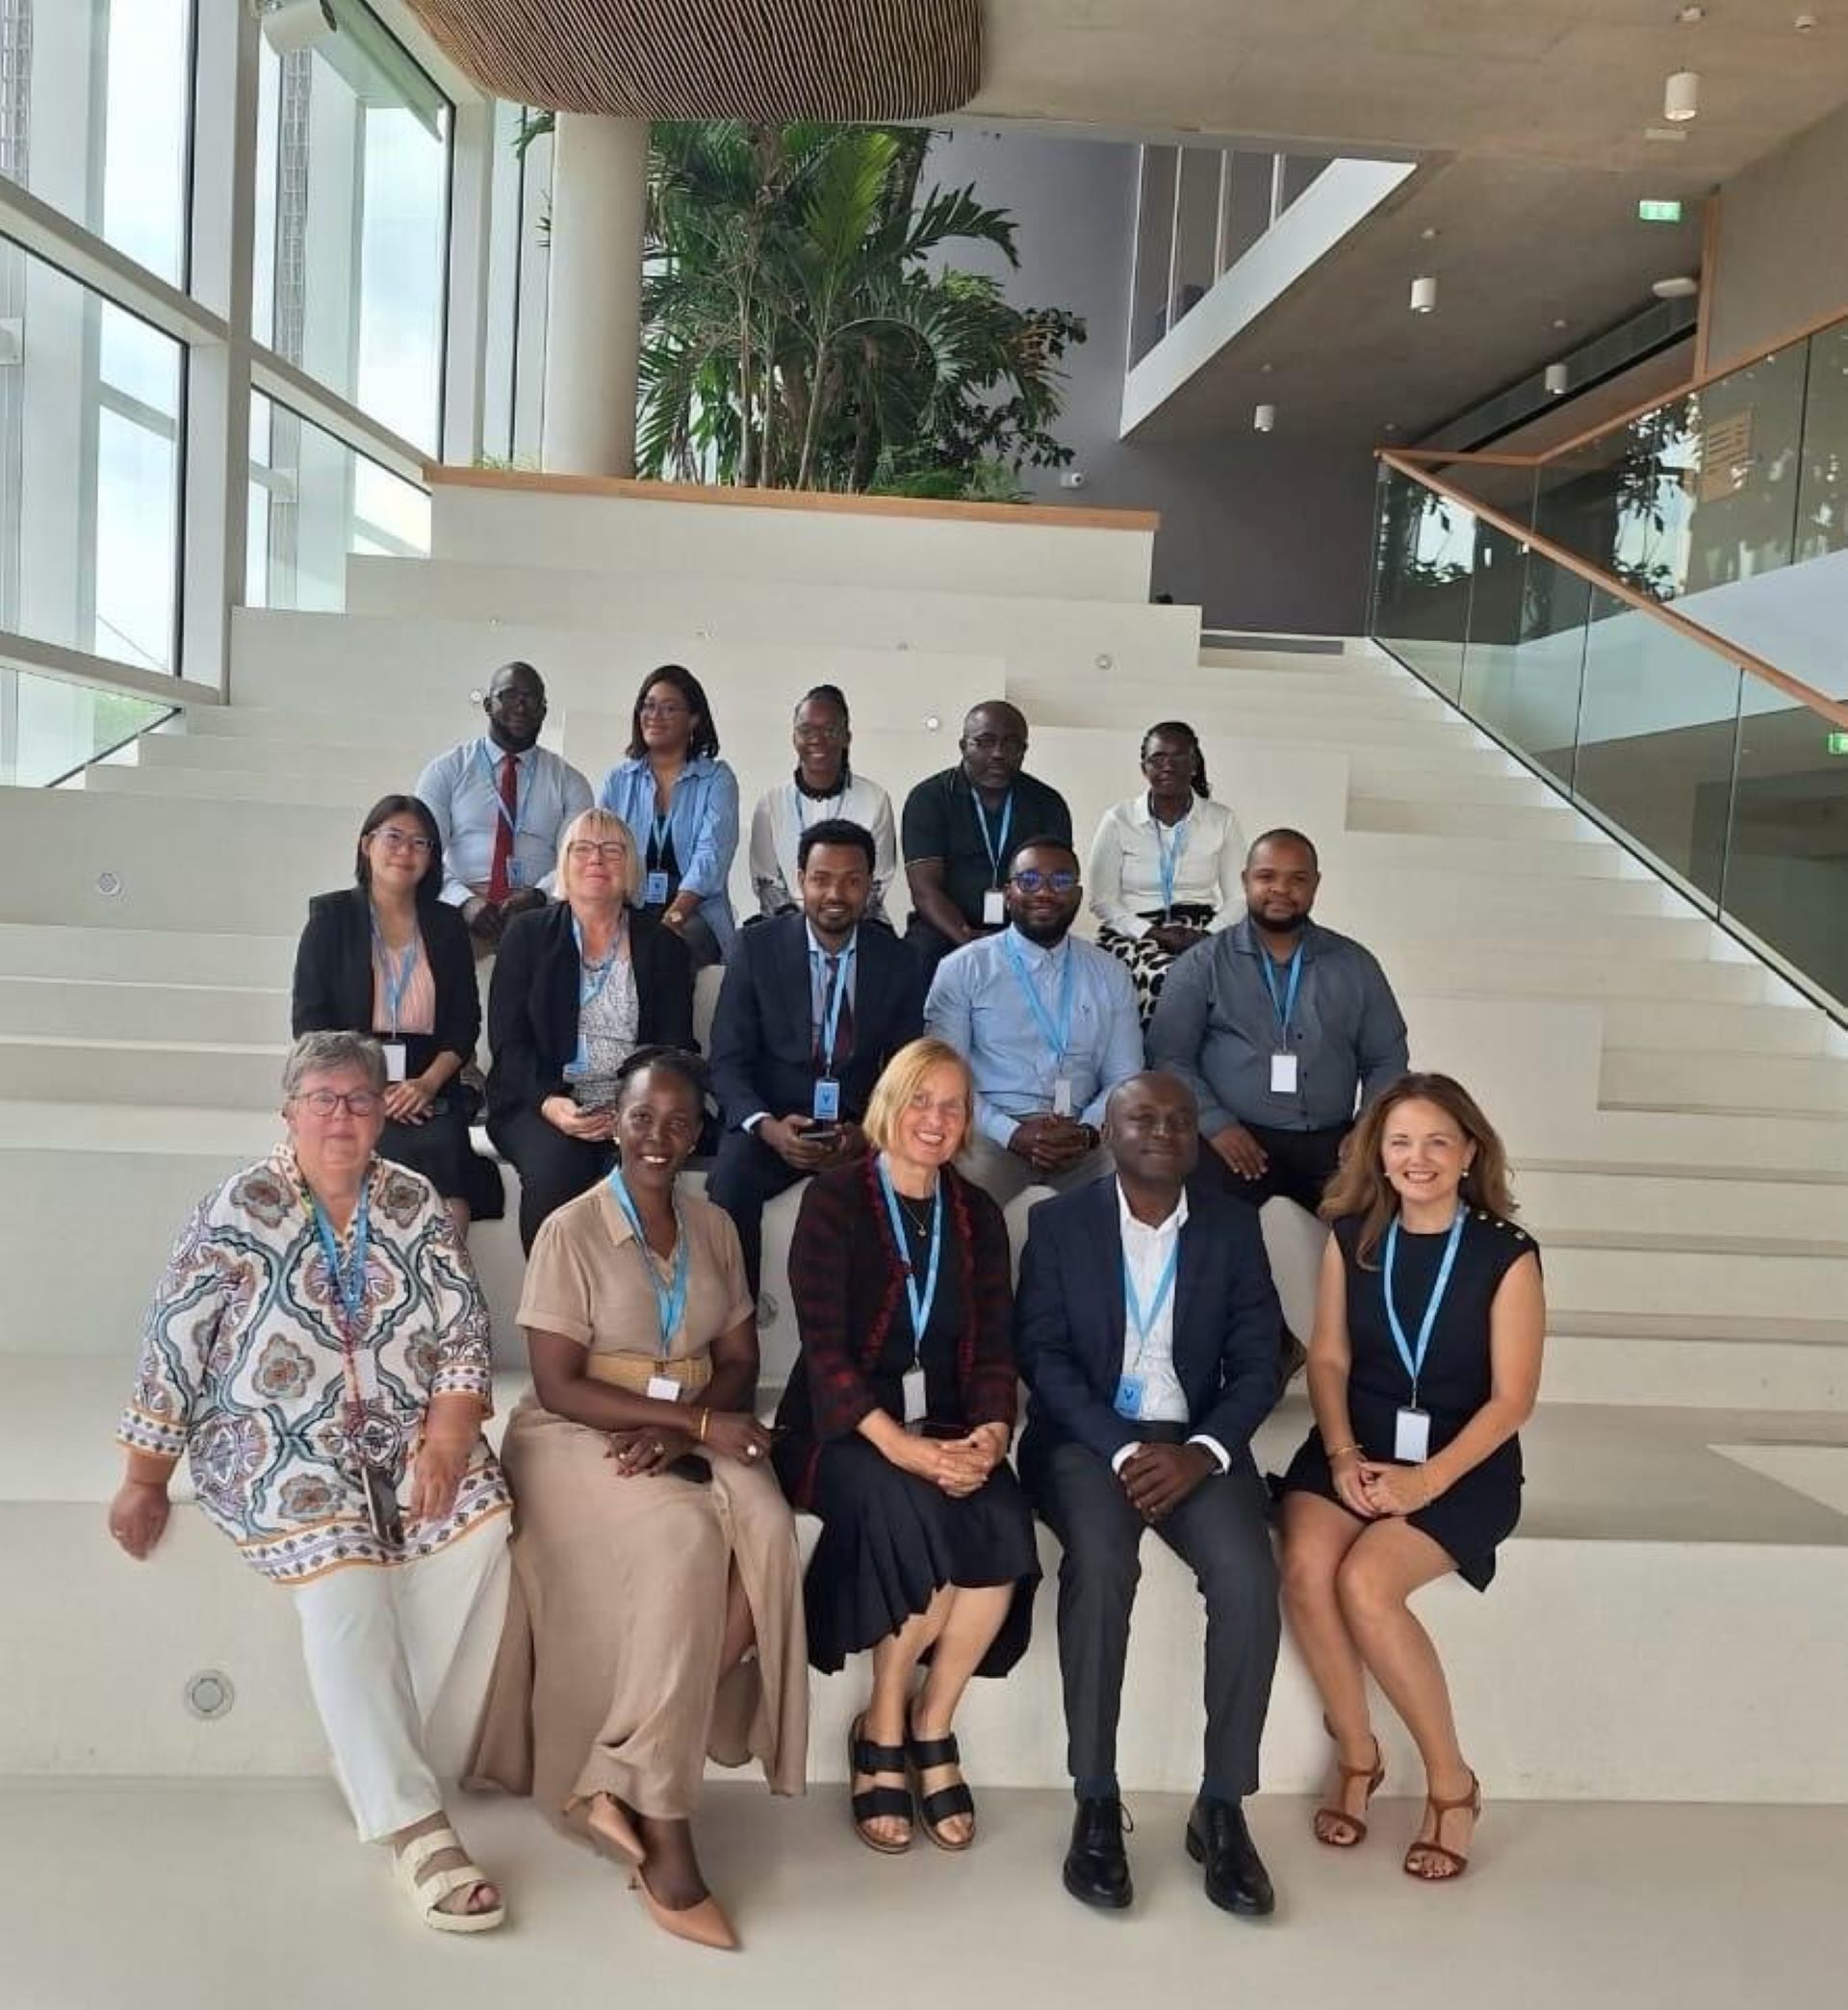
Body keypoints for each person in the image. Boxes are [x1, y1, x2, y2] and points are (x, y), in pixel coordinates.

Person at [109, 1032, 512, 1933]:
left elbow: (463, 1326)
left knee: (482, 1524)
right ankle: (412, 1821)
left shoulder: (410, 1200)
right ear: (287, 1112)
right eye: (323, 1099)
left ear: (383, 1114)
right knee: (348, 1585)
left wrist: (450, 1432)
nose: (342, 1116)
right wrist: (145, 1475)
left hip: (404, 1433)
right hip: (272, 1442)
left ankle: (372, 1731)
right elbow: (175, 1341)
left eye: (360, 1100)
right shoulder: (237, 1205)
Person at [468, 1048, 806, 1951]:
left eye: (680, 1122)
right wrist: (689, 1424)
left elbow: (739, 1359)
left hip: (688, 1416)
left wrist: (690, 1424)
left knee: (772, 1530)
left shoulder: (717, 1227)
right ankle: (664, 1820)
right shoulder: (571, 1230)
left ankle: (619, 1770)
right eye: (644, 1118)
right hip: (575, 1432)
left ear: (701, 1135)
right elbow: (559, 1382)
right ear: (615, 1122)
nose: (661, 1137)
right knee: (686, 1542)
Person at [1016, 1073, 1284, 1919]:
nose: (1163, 1129)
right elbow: (1045, 1359)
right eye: (1142, 1117)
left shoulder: (1236, 1229)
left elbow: (1259, 1361)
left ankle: (1223, 1806)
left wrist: (1203, 1451)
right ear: (1108, 1131)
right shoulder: (1058, 1225)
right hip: (1091, 1444)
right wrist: (1124, 1445)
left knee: (1248, 1577)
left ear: (1196, 1137)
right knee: (1100, 1564)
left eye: (1178, 1119)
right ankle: (1096, 1799)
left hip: (1198, 1446)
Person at [773, 1039, 1038, 1856]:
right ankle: (882, 1716)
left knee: (1000, 1520)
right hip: (840, 1428)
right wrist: (904, 1449)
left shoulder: (979, 1216)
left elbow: (995, 1348)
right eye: (921, 1100)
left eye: (953, 1107)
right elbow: (823, 1352)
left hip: (952, 1424)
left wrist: (992, 1433)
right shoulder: (835, 1200)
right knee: (916, 1507)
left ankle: (933, 1720)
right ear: (890, 1103)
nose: (935, 1119)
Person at [1276, 1073, 1544, 1884]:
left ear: (1469, 1152)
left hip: (1462, 1464)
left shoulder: (1507, 1252)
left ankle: (1451, 1785)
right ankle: (1358, 1753)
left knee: (1366, 1582)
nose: (1416, 1158)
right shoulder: (1351, 1233)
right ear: (1377, 1155)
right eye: (1399, 1142)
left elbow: (1513, 1400)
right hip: (1355, 1444)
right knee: (1303, 1564)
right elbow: (1327, 1357)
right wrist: (1346, 1454)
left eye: (1436, 1141)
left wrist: (1424, 1484)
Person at [707, 817, 926, 1296]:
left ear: (870, 887)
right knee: (728, 1185)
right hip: (772, 1121)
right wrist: (767, 1126)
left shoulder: (899, 960)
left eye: (852, 881)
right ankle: (735, 1325)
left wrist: (868, 1133)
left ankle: (873, 1337)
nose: (835, 894)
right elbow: (726, 1061)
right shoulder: (754, 948)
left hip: (855, 1129)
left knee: (912, 1185)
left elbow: (907, 1069)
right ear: (801, 879)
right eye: (822, 879)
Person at [1148, 827, 1408, 1224]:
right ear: (1245, 881)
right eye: (1267, 876)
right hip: (1233, 1140)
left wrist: (1365, 1132)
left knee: (1368, 1232)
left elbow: (1387, 1058)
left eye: (1297, 879)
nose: (1281, 890)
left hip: (1333, 1144)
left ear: (1316, 885)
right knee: (1209, 1238)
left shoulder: (1356, 965)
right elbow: (1169, 1056)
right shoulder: (1203, 963)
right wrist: (1216, 1125)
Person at [486, 809, 695, 1252]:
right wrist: (554, 1106)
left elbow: (673, 1046)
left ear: (631, 867)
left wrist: (629, 1112)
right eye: (582, 848)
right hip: (541, 1101)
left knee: (643, 1173)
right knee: (554, 1169)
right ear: (564, 864)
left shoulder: (665, 948)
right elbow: (509, 1043)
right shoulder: (527, 935)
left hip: (634, 1106)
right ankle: (551, 1312)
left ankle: (635, 1309)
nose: (596, 859)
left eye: (611, 849)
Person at [292, 794, 501, 1234]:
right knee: (357, 1158)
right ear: (366, 844)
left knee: (446, 1173)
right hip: (347, 1084)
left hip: (427, 1084)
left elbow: (465, 1023)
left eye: (420, 843)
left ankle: (446, 1294)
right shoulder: (331, 918)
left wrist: (424, 1084)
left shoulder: (446, 926)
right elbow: (309, 1022)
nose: (405, 851)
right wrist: (365, 1090)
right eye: (394, 837)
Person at [924, 836, 1143, 1209]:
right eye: (1028, 881)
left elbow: (1125, 1078)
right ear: (1008, 893)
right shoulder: (963, 968)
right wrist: (1011, 1133)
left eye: (1060, 881)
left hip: (1083, 1132)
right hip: (989, 1133)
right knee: (958, 1205)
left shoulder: (1111, 972)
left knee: (1136, 1185)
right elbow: (944, 1079)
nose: (1044, 892)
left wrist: (1087, 1133)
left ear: (1076, 896)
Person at [415, 661, 594, 953]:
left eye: (531, 698)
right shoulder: (446, 771)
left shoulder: (570, 782)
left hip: (541, 912)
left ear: (544, 710)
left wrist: (539, 895)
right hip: (460, 906)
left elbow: (579, 859)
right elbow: (423, 853)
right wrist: (464, 902)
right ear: (487, 705)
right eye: (509, 695)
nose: (521, 706)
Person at [1088, 722, 1246, 1028]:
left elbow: (1239, 898)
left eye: (1179, 757)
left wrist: (1207, 935)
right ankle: (1155, 1068)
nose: (1168, 766)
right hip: (1133, 931)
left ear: (1195, 763)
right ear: (1143, 767)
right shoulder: (1119, 819)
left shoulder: (1221, 820)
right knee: (1167, 977)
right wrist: (1151, 932)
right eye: (1157, 758)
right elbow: (1102, 900)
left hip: (1202, 928)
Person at [900, 699, 1071, 981]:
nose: (998, 753)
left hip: (1025, 930)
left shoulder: (1047, 803)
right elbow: (925, 889)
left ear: (1024, 750)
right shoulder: (929, 798)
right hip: (944, 928)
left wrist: (1013, 942)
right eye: (985, 742)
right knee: (917, 958)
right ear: (963, 745)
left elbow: (1055, 886)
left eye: (1011, 744)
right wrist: (968, 940)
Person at [597, 663, 739, 969]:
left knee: (670, 950)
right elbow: (601, 848)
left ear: (694, 719)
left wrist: (671, 920)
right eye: (648, 706)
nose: (655, 716)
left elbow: (710, 858)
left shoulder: (717, 779)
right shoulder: (618, 780)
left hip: (694, 914)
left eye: (669, 708)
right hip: (627, 907)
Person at [748, 684, 899, 921]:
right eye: (806, 730)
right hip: (786, 922)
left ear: (847, 737)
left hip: (857, 919)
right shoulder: (771, 803)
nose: (817, 739)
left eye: (830, 730)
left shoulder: (875, 799)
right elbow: (767, 883)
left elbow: (876, 882)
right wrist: (802, 929)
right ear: (794, 737)